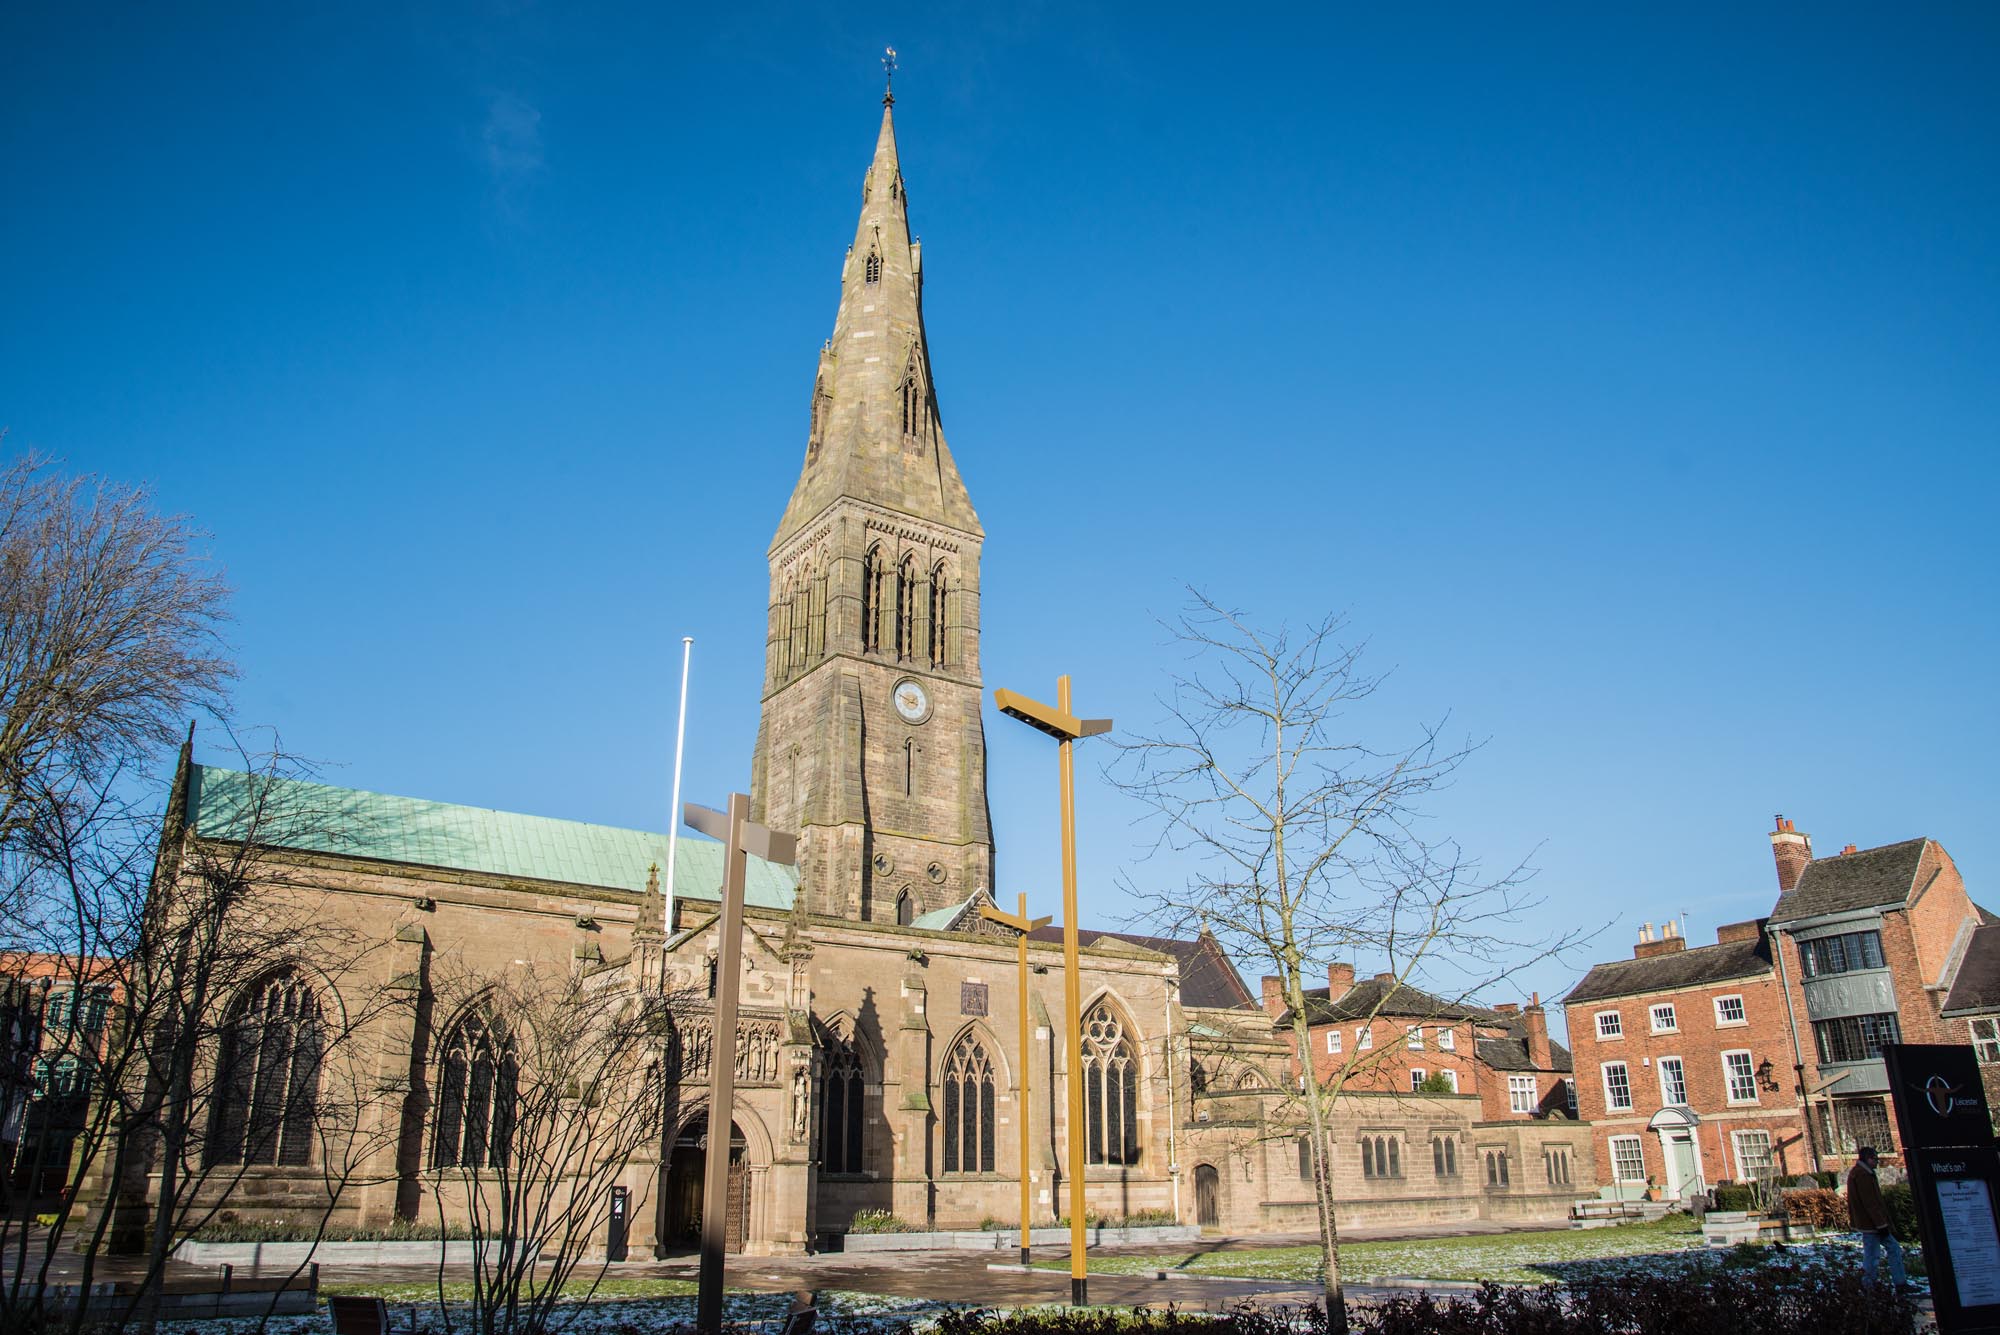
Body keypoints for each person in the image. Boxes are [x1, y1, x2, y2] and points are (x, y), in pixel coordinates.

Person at [1846, 1146, 1907, 1286]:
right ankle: (1870, 1285)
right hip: (1871, 1224)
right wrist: (1881, 1224)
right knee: (1874, 1255)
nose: (1877, 1162)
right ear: (1868, 1159)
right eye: (1875, 1159)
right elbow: (1870, 1202)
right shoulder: (1863, 1175)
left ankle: (1897, 1282)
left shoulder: (1860, 1172)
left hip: (1871, 1223)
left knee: (1891, 1249)